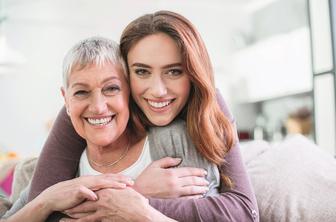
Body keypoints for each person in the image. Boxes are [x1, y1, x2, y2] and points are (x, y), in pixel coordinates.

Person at [28, 11, 259, 221]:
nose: (158, 90)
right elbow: (39, 203)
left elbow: (245, 211)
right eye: (142, 71)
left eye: (174, 71)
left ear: (193, 74)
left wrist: (138, 203)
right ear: (126, 75)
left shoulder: (208, 105)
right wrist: (135, 190)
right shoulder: (91, 109)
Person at [2, 36, 218, 222]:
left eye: (111, 88)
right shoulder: (57, 173)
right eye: (81, 92)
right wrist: (47, 201)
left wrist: (139, 205)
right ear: (65, 100)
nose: (97, 107)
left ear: (129, 93)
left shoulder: (174, 141)